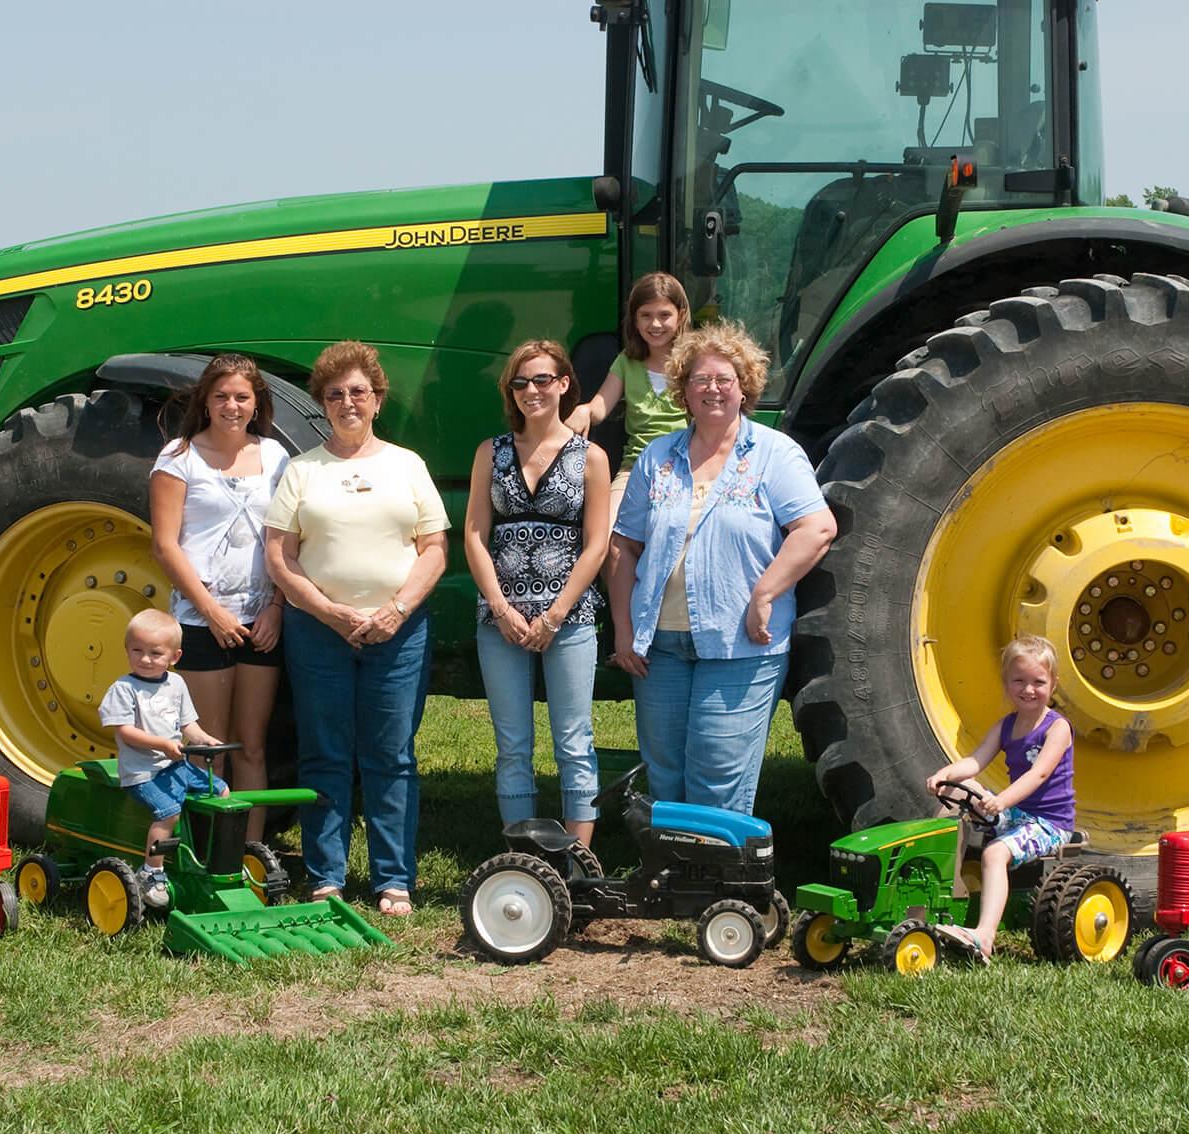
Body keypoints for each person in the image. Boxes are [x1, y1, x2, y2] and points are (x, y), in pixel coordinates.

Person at [606, 319, 835, 815]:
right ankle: (673, 889)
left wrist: (765, 593)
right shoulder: (657, 457)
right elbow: (623, 546)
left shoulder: (774, 454)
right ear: (683, 391)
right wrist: (624, 630)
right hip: (660, 647)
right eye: (699, 380)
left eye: (723, 379)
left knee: (717, 780)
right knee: (666, 777)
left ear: (744, 387)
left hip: (739, 646)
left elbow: (816, 528)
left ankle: (719, 890)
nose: (712, 389)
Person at [263, 341, 448, 915]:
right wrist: (330, 612)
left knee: (391, 755)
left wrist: (395, 611)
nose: (348, 402)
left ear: (377, 399)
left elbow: (435, 549)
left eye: (358, 392)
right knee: (325, 754)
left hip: (398, 634)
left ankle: (394, 879)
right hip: (319, 633)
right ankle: (326, 877)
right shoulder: (301, 471)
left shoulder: (407, 465)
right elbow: (279, 557)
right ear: (322, 402)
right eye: (336, 394)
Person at [465, 340, 610, 844]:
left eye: (542, 380)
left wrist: (554, 615)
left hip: (567, 617)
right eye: (520, 383)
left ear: (565, 384)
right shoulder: (492, 451)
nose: (531, 391)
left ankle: (577, 865)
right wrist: (501, 608)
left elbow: (596, 545)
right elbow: (474, 536)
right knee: (512, 745)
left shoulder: (590, 457)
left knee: (574, 741)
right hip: (501, 619)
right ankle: (523, 859)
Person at [149, 353, 291, 844]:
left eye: (242, 397)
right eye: (222, 396)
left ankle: (247, 854)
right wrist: (210, 611)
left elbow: (285, 537)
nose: (232, 406)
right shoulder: (179, 456)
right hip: (201, 619)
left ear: (257, 404)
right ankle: (202, 851)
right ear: (206, 402)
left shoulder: (274, 457)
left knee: (252, 746)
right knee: (209, 748)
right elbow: (166, 544)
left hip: (261, 620)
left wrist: (275, 606)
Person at [923, 635, 1077, 965]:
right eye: (1019, 681)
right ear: (1006, 683)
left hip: (1048, 823)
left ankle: (984, 937)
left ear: (1054, 683)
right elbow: (976, 762)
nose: (1028, 689)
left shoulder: (1057, 728)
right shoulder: (1006, 725)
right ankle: (940, 893)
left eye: (1038, 681)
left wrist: (1003, 801)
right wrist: (945, 774)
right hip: (1016, 812)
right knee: (954, 793)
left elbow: (1038, 775)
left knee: (995, 853)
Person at [97, 609, 224, 911]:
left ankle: (211, 858)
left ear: (174, 656)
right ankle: (151, 872)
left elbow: (188, 726)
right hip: (143, 773)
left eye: (155, 653)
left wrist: (205, 740)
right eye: (137, 651)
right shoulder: (124, 689)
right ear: (127, 650)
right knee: (168, 811)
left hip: (175, 767)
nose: (145, 659)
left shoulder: (176, 685)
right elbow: (126, 732)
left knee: (222, 792)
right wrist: (163, 745)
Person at [566, 271, 690, 518]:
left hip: (686, 465)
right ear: (634, 320)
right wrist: (584, 410)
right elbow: (600, 407)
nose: (655, 324)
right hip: (636, 466)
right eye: (646, 316)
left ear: (681, 316)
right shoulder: (627, 361)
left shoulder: (693, 360)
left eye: (664, 315)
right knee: (608, 532)